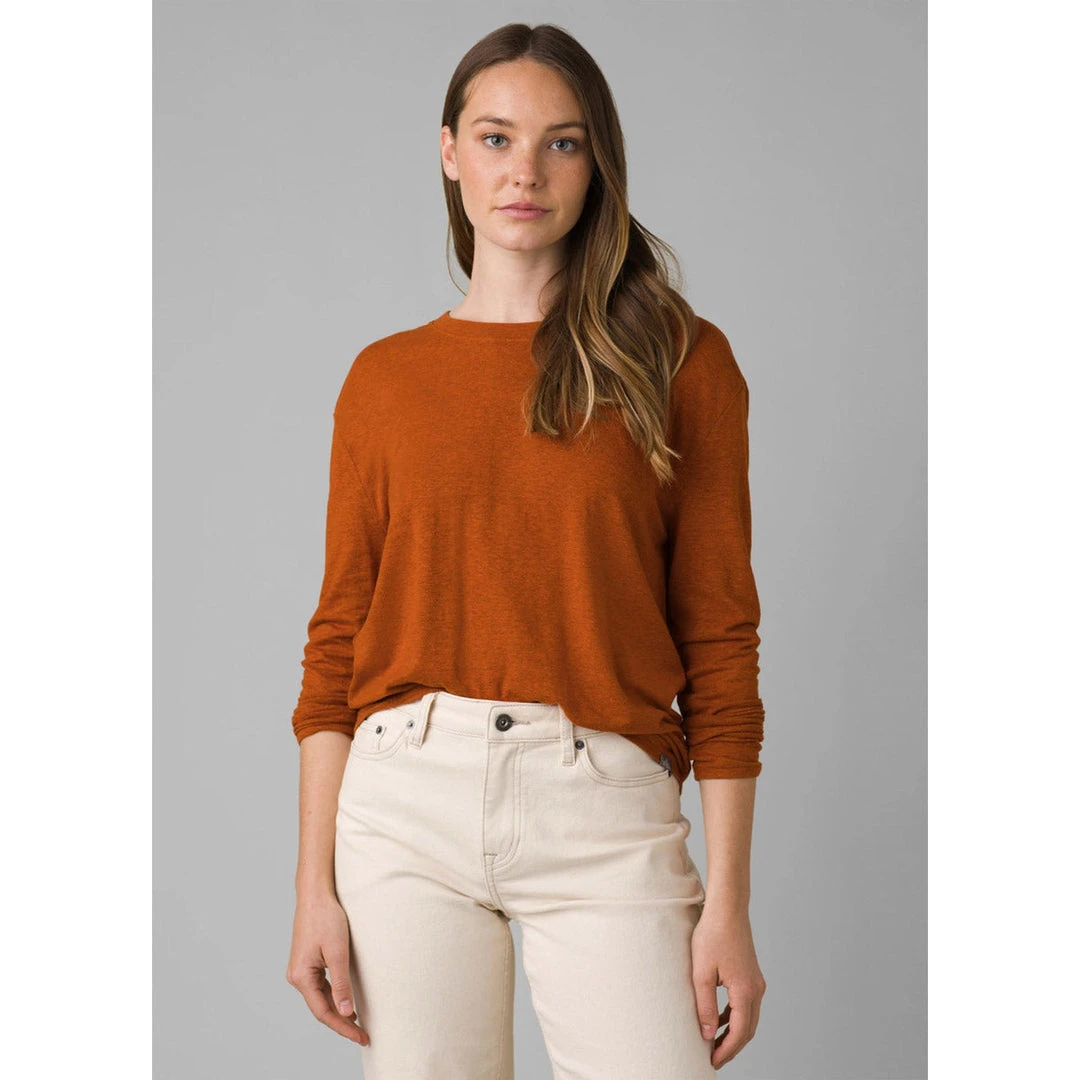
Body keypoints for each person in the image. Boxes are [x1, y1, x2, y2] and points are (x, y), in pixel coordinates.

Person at [285, 22, 767, 1079]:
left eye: (563, 143)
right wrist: (312, 886)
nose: (526, 172)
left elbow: (722, 640)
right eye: (496, 137)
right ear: (449, 151)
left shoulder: (678, 361)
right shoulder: (385, 381)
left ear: (598, 164)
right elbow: (336, 647)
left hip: (601, 802)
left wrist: (727, 904)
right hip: (403, 804)